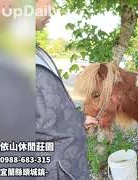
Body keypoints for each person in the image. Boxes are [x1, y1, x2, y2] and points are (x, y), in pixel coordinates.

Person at [35, 0, 98, 179]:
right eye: (49, 1)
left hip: (69, 170)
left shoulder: (36, 52)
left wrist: (79, 120)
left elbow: (47, 116)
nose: (52, 9)